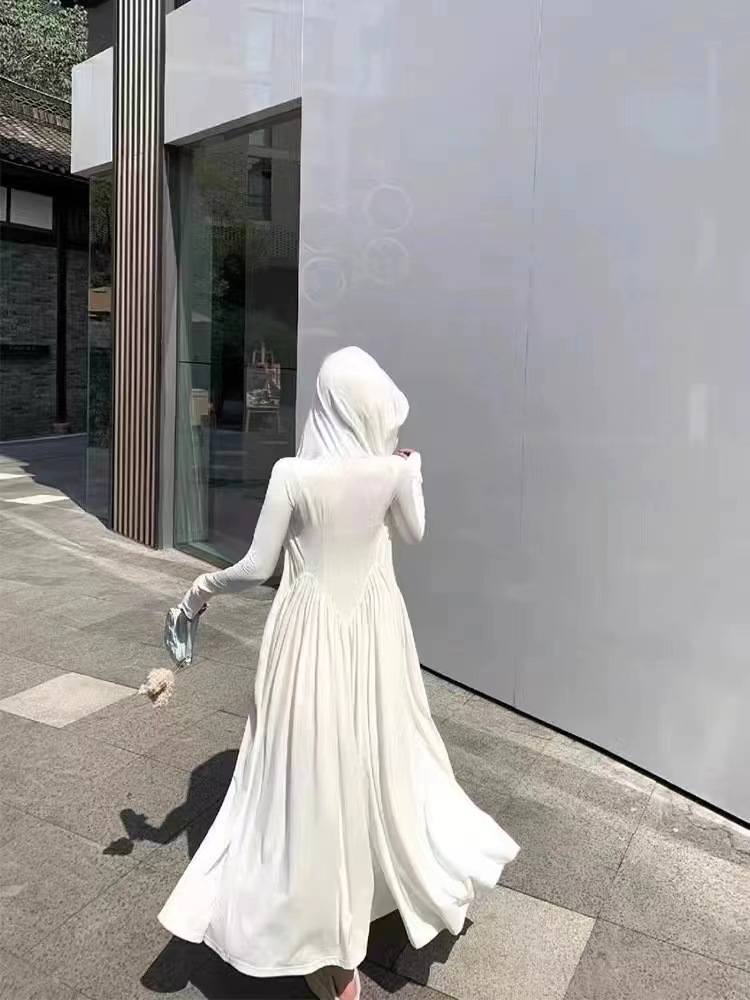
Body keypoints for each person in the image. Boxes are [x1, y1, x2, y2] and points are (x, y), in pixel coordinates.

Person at [158, 347, 519, 1000]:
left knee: (308, 768)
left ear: (325, 403)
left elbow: (257, 566)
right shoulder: (393, 471)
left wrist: (197, 591)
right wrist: (413, 471)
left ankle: (324, 935)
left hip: (309, 633)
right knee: (381, 752)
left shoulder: (293, 474)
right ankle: (368, 897)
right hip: (376, 631)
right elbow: (414, 532)